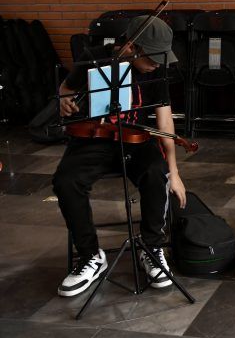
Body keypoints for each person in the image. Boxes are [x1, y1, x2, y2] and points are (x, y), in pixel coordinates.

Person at [53, 15, 187, 297]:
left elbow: (164, 122)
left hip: (136, 139)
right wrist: (64, 100)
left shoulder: (157, 70)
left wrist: (174, 172)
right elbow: (66, 88)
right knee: (66, 181)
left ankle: (151, 248)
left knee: (157, 172)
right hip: (94, 137)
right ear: (131, 46)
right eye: (151, 57)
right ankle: (90, 256)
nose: (157, 63)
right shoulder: (94, 58)